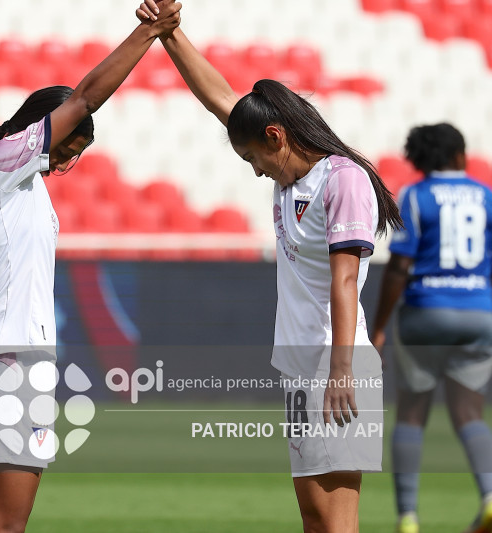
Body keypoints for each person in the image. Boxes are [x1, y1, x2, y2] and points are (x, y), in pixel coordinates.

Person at [136, 2, 402, 531]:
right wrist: (170, 35)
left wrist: (342, 369)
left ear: (277, 136)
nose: (255, 171)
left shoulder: (342, 179)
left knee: (336, 518)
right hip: (302, 365)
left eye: (253, 157)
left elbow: (345, 279)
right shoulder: (290, 180)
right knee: (311, 514)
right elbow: (220, 99)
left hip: (335, 365)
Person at [0, 3, 182, 532]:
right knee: (8, 525)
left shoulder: (5, 177)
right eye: (68, 148)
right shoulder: (1, 160)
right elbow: (84, 96)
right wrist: (149, 31)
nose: (64, 162)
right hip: (11, 356)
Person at [369, 123, 492, 533]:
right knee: (470, 416)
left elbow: (399, 267)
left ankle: (407, 517)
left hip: (424, 314)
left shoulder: (415, 196)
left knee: (410, 417)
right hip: (478, 316)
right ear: (460, 155)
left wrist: (379, 328)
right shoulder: (487, 196)